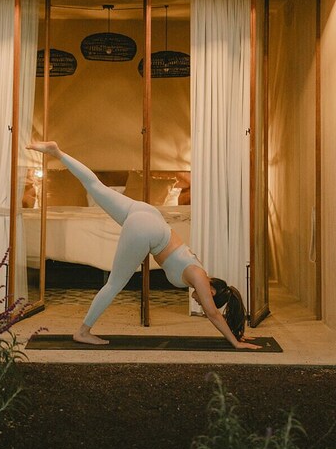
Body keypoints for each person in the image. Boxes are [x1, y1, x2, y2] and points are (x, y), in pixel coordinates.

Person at [27, 141, 261, 350]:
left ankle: (57, 152)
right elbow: (212, 314)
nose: (199, 301)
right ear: (210, 290)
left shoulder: (197, 270)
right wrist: (235, 343)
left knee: (96, 186)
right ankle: (82, 332)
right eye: (204, 298)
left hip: (148, 215)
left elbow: (209, 307)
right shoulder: (200, 276)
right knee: (114, 283)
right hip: (148, 229)